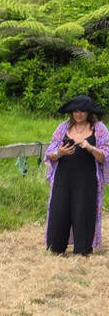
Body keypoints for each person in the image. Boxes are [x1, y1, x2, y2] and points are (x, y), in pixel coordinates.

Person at [43, 94, 109, 255]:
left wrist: (90, 148)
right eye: (75, 111)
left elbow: (105, 156)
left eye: (83, 111)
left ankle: (83, 249)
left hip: (87, 178)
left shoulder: (99, 129)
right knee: (60, 209)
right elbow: (49, 154)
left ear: (89, 112)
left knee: (83, 210)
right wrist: (60, 152)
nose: (78, 114)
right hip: (63, 177)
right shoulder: (63, 128)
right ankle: (56, 247)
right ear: (71, 112)